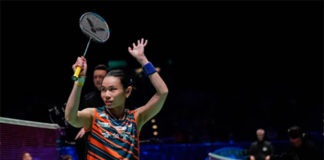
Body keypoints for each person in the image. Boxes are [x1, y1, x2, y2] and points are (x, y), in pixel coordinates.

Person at [65, 38, 168, 159]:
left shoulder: (135, 118)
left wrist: (143, 60)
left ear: (127, 92)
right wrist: (80, 81)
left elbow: (162, 92)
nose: (106, 95)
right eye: (103, 89)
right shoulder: (93, 116)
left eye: (112, 89)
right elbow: (71, 118)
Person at [74, 64, 108, 160]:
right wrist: (85, 127)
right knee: (80, 139)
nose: (97, 80)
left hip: (111, 132)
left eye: (101, 77)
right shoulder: (88, 98)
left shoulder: (114, 96)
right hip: (92, 134)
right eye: (95, 77)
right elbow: (80, 118)